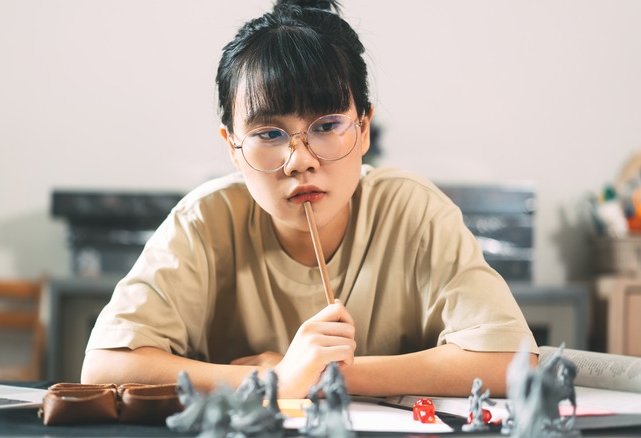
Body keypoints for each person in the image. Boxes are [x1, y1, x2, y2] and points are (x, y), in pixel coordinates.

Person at [81, 0, 539, 399]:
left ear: (363, 129)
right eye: (268, 134)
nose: (299, 160)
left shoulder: (414, 211)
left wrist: (326, 372)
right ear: (231, 146)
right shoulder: (203, 220)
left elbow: (511, 361)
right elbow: (104, 369)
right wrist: (276, 381)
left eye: (326, 126)